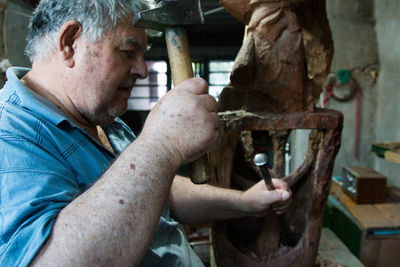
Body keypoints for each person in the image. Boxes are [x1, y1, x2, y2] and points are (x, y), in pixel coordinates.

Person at [0, 0, 292, 266]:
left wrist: (243, 203)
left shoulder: (101, 117)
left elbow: (156, 188)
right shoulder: (10, 134)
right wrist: (160, 144)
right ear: (70, 42)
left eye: (142, 54)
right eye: (128, 52)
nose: (142, 70)